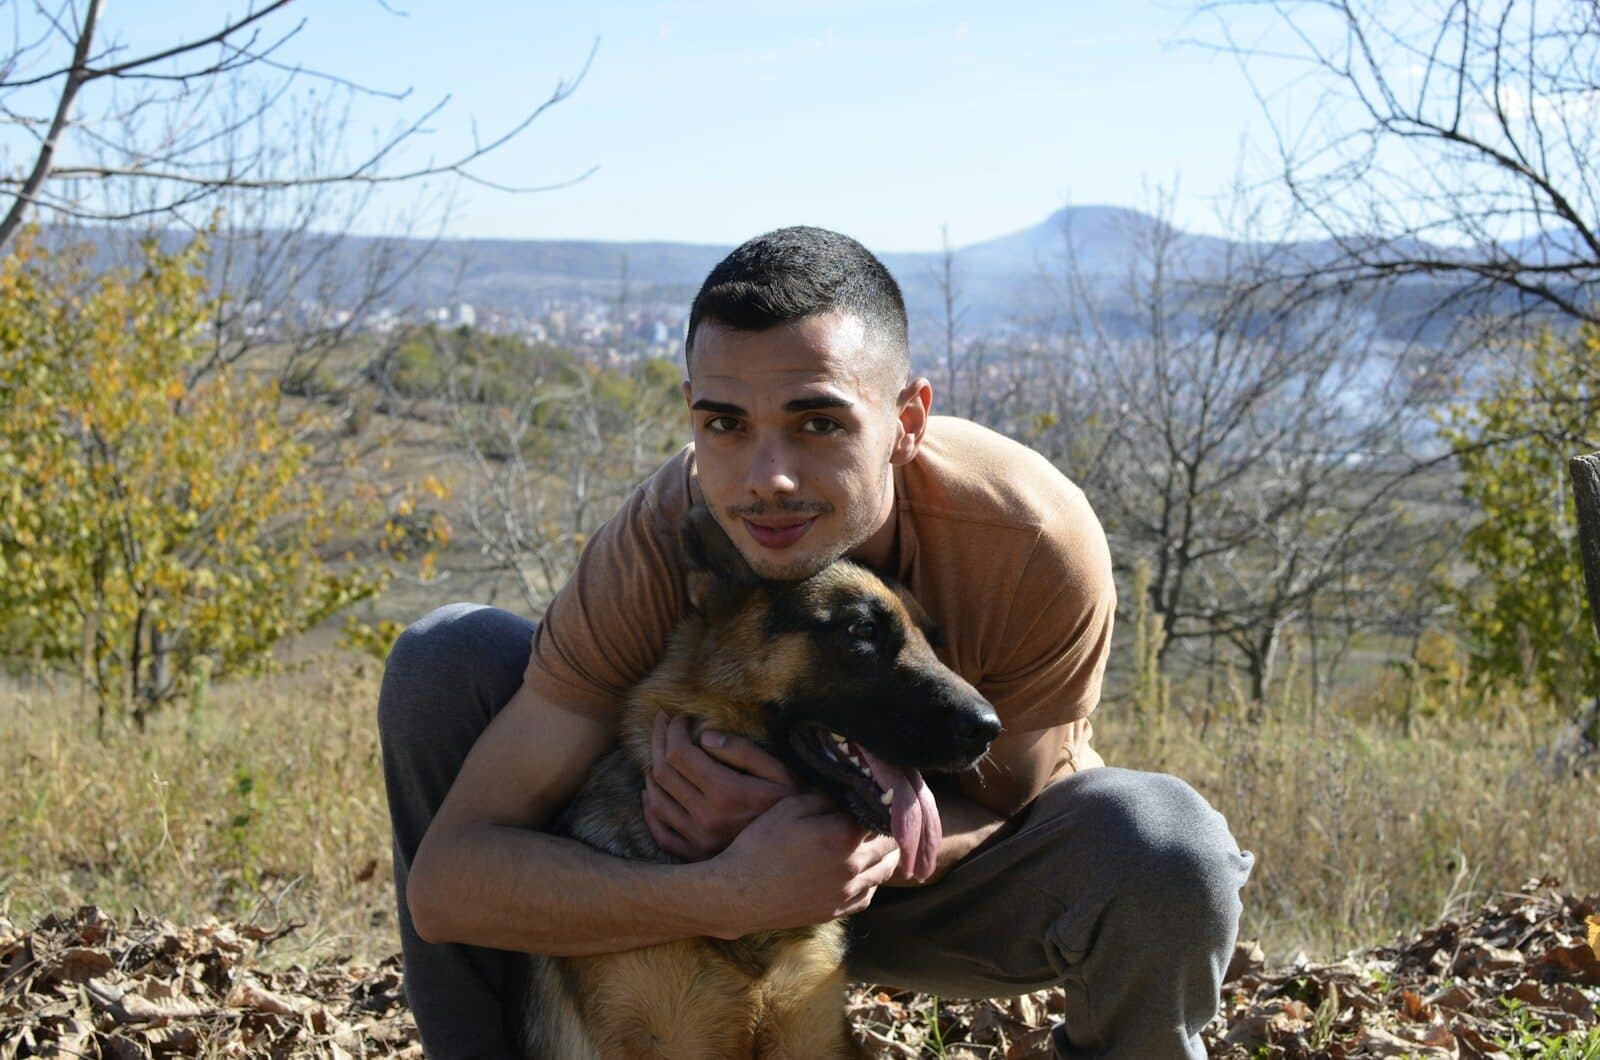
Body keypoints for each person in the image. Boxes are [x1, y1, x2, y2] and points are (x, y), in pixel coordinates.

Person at [379, 226, 1254, 1059]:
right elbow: (450, 882)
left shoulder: (1029, 537)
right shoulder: (665, 538)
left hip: (927, 879)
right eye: (726, 423)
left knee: (1165, 843)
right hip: (678, 863)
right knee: (450, 657)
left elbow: (1011, 799)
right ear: (691, 415)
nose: (769, 480)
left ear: (907, 419)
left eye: (818, 422)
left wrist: (829, 847)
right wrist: (726, 890)